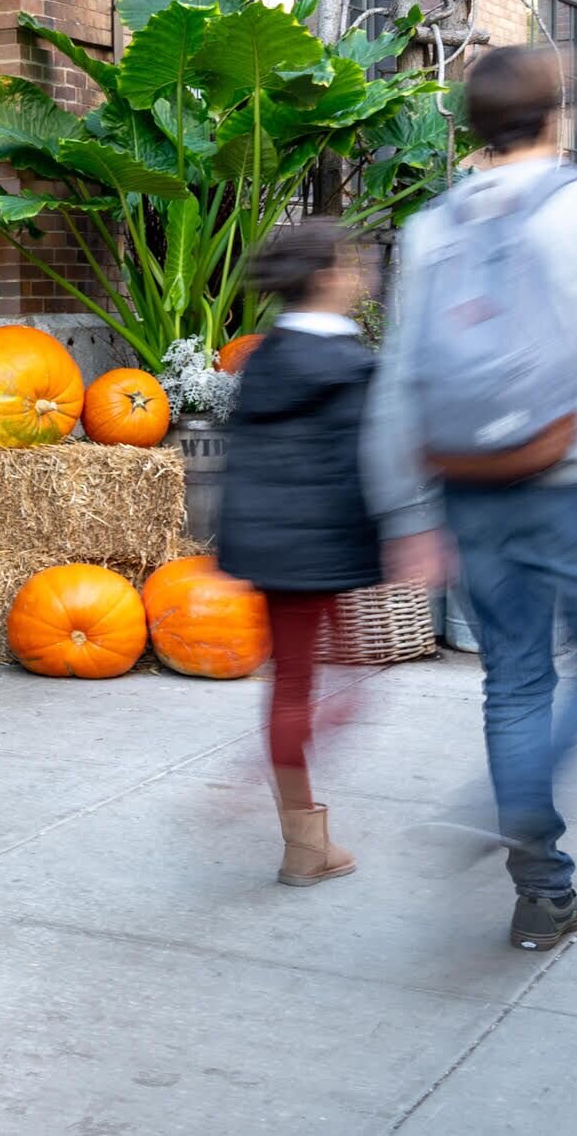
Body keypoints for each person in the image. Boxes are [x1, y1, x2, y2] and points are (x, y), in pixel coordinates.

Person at [364, 44, 577, 953]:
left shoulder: (433, 226)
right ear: (559, 113)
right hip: (570, 487)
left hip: (467, 489)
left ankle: (542, 890)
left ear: (469, 126)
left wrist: (406, 513)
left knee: (512, 679)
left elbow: (399, 377)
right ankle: (512, 807)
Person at [215, 220, 379, 887]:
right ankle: (294, 833)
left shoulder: (263, 360)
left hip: (270, 551)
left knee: (296, 686)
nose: (360, 275)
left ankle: (303, 840)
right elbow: (378, 466)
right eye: (352, 264)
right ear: (327, 278)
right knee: (342, 684)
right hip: (328, 552)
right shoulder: (356, 367)